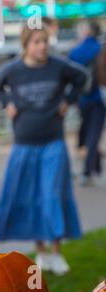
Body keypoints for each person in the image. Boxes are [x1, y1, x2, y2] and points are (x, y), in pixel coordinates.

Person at [0, 25, 86, 276]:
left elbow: (81, 77)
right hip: (24, 146)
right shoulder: (13, 70)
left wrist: (68, 100)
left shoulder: (58, 65)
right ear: (26, 45)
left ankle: (56, 253)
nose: (42, 46)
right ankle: (41, 253)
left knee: (53, 195)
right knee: (31, 198)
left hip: (53, 143)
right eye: (36, 41)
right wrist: (7, 102)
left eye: (44, 41)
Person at [69, 21, 104, 186]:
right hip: (99, 98)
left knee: (87, 130)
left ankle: (94, 166)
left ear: (87, 32)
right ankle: (88, 170)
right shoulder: (100, 49)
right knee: (94, 133)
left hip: (82, 99)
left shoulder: (76, 51)